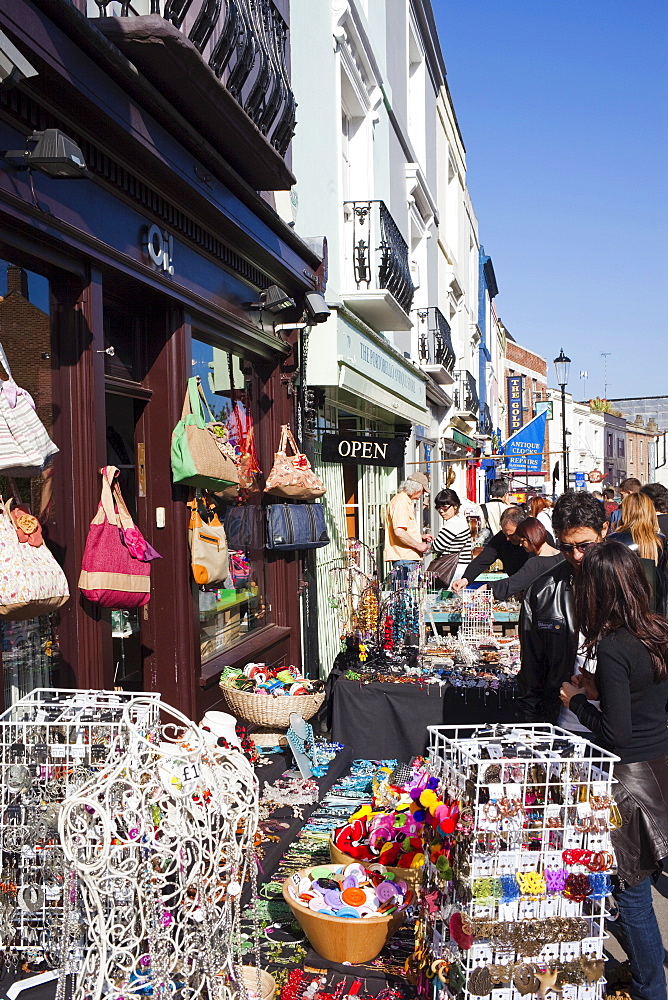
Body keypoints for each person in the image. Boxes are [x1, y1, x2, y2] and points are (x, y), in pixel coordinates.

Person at [559, 541, 668, 1000]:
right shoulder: (658, 631)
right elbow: (647, 702)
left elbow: (616, 734)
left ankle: (651, 987)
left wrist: (577, 701)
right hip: (662, 765)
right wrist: (602, 690)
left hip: (628, 780)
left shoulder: (615, 646)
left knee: (632, 893)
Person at [517, 491, 609, 723]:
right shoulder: (542, 591)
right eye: (567, 547)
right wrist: (531, 729)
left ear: (604, 531)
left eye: (584, 546)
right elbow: (532, 672)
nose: (576, 555)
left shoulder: (634, 582)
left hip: (627, 728)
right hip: (565, 721)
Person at [609, 491, 668, 613]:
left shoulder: (613, 539)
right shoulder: (660, 540)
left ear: (625, 512)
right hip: (655, 608)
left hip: (623, 606)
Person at [451, 507, 529, 593]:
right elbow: (483, 559)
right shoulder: (501, 539)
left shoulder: (536, 540)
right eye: (505, 534)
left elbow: (527, 574)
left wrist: (489, 587)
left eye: (511, 535)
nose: (507, 539)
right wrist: (466, 579)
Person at [486, 517, 563, 601]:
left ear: (531, 537)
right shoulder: (563, 557)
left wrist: (488, 587)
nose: (520, 545)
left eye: (522, 541)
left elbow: (514, 583)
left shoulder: (535, 563)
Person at [384, 473, 433, 581]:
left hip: (406, 557)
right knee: (404, 592)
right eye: (422, 491)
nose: (422, 494)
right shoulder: (400, 502)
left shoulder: (404, 501)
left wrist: (419, 537)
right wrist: (417, 545)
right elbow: (399, 532)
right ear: (415, 488)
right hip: (404, 558)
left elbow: (404, 530)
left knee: (408, 592)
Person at [428, 488, 473, 587]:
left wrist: (430, 544)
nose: (441, 511)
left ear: (455, 506)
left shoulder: (454, 523)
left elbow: (437, 546)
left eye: (444, 508)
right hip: (459, 567)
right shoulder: (460, 520)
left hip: (453, 569)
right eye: (438, 508)